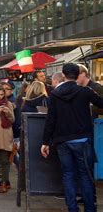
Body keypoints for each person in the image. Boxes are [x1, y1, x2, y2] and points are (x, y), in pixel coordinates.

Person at [41, 63, 103, 212]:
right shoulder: (85, 91)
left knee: (68, 175)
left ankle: (72, 208)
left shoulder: (55, 94)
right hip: (82, 139)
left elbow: (51, 119)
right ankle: (90, 208)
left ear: (63, 75)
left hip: (62, 140)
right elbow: (101, 103)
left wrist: (45, 142)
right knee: (85, 176)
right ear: (78, 75)